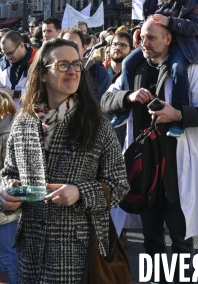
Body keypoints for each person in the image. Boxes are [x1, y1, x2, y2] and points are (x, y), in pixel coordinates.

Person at [101, 17, 198, 284]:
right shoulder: (134, 70)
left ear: (168, 39)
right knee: (151, 238)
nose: (144, 43)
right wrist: (127, 97)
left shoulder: (192, 71)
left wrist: (177, 113)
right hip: (145, 170)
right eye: (141, 37)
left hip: (178, 172)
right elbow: (106, 100)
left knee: (181, 240)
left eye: (151, 38)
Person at [0, 38, 129, 284]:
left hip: (79, 251)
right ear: (43, 74)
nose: (72, 71)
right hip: (30, 250)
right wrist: (6, 192)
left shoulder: (97, 124)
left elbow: (119, 185)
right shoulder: (24, 122)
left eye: (76, 64)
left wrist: (80, 192)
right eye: (62, 65)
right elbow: (8, 172)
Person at [120, 0, 198, 137]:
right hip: (154, 44)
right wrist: (138, 31)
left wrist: (170, 22)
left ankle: (177, 115)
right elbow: (145, 23)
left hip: (180, 43)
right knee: (127, 62)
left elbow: (195, 26)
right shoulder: (150, 0)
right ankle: (125, 105)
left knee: (177, 68)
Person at [60, 27, 111, 99]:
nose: (71, 50)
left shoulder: (98, 72)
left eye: (75, 46)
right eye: (66, 46)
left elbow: (102, 106)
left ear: (84, 48)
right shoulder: (56, 72)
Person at [0, 91, 19, 284]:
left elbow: (10, 174)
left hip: (8, 211)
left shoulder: (8, 135)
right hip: (7, 208)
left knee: (8, 259)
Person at [0, 32, 38, 102]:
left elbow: (41, 93)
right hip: (6, 111)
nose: (7, 58)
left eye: (10, 53)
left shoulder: (39, 62)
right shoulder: (2, 63)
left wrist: (13, 93)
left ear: (21, 45)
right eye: (4, 53)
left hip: (30, 111)